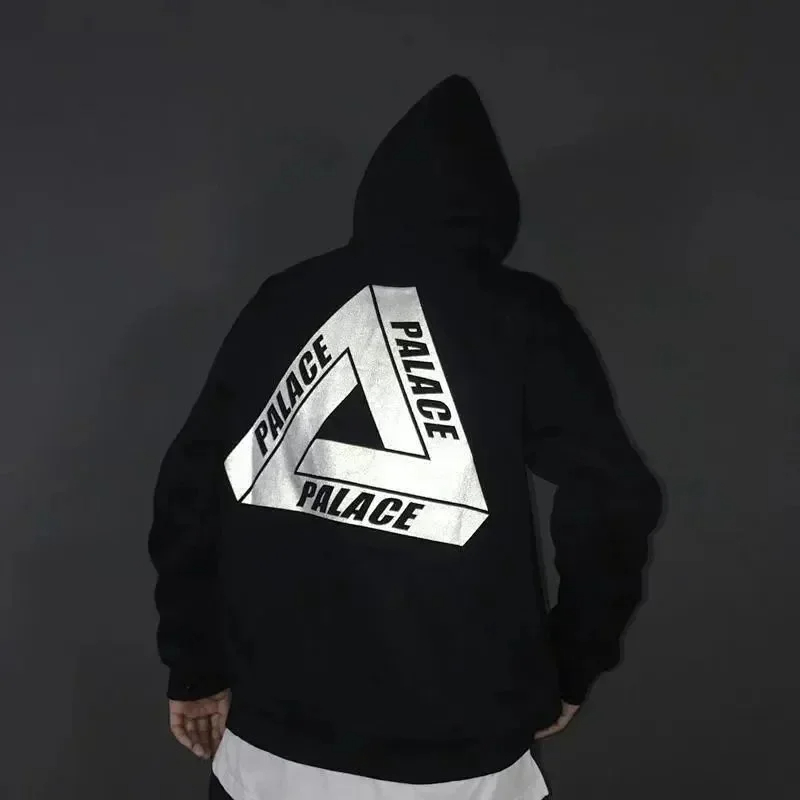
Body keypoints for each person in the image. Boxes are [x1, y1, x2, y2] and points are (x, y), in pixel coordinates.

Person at [148, 75, 664, 800]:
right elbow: (613, 500)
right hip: (460, 753)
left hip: (271, 743)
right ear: (492, 204)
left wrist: (195, 664)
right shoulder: (520, 315)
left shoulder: (285, 300)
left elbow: (190, 490)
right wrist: (572, 661)